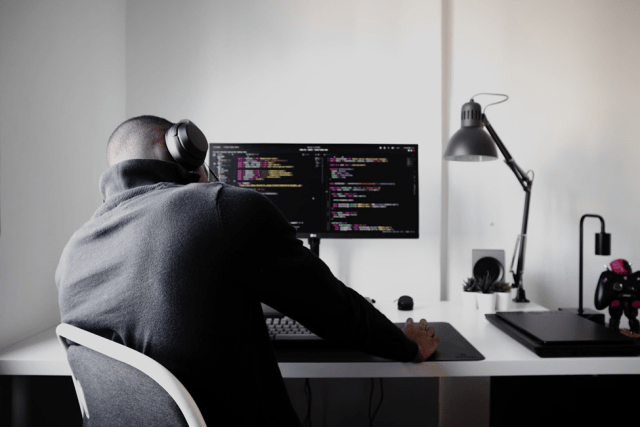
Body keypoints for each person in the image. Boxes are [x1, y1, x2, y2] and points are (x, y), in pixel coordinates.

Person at [55, 115, 439, 426]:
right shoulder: (221, 208)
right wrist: (405, 343)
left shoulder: (72, 255)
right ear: (184, 150)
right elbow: (333, 310)